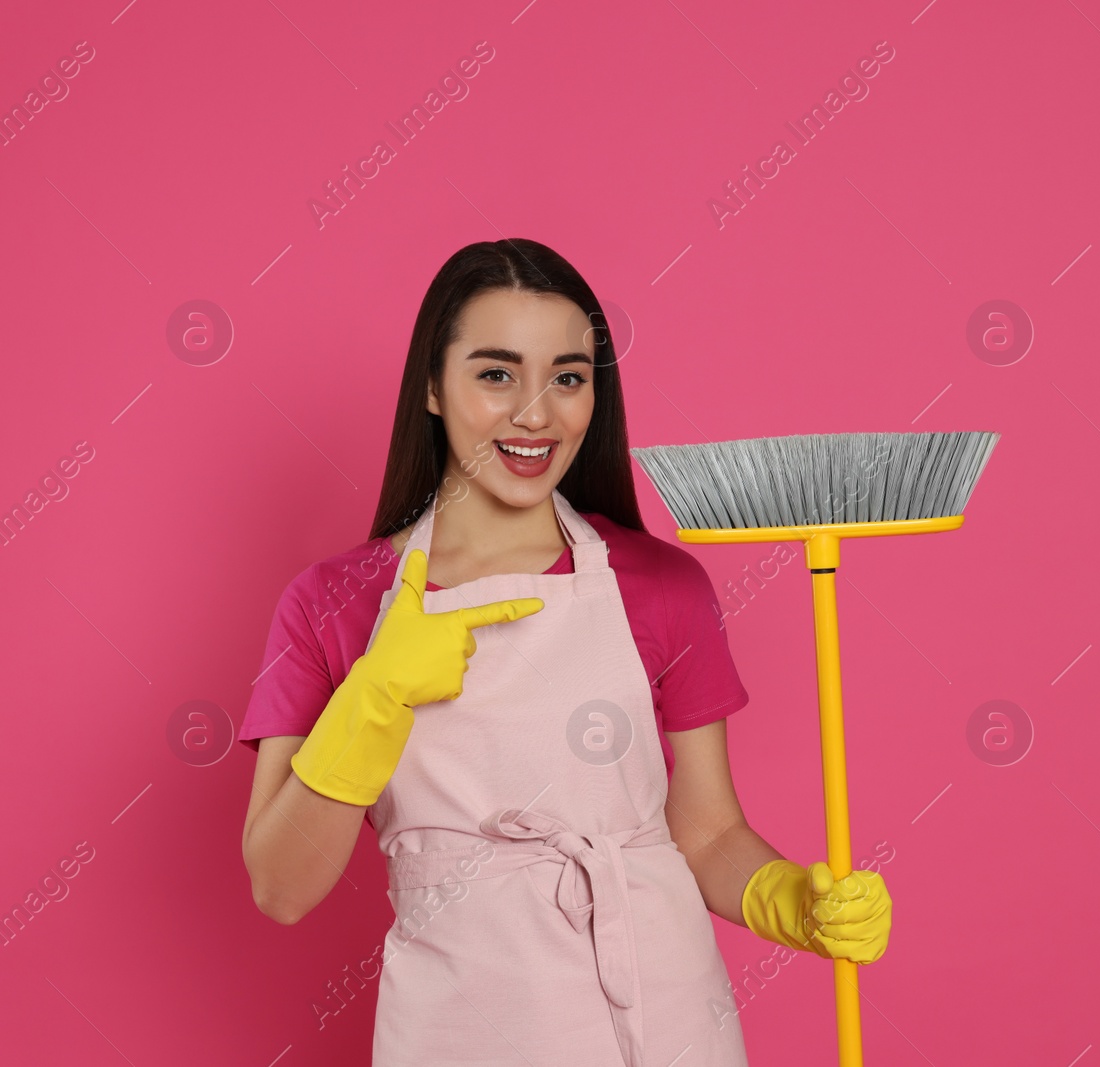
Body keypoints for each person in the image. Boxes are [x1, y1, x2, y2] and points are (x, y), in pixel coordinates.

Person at [238, 238, 891, 1064]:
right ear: (433, 387)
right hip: (463, 1025)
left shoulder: (661, 585)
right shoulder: (332, 604)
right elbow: (281, 887)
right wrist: (378, 696)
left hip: (666, 1016)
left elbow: (709, 831)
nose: (537, 413)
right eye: (496, 373)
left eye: (568, 377)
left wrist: (786, 898)